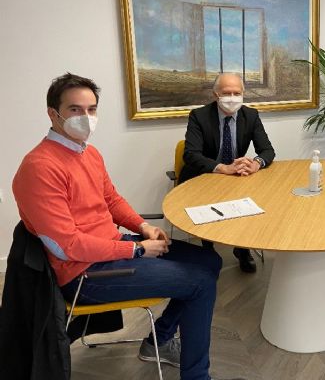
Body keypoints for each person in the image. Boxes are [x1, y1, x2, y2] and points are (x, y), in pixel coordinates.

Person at [12, 73, 235, 380]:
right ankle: (196, 375)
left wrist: (143, 227)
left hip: (113, 250)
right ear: (54, 114)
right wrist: (137, 249)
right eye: (75, 109)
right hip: (85, 273)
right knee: (200, 283)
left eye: (91, 110)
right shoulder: (39, 168)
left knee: (210, 260)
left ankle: (158, 340)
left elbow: (111, 200)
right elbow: (68, 246)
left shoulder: (88, 153)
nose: (86, 118)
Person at [180, 72, 275, 273]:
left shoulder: (251, 115)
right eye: (226, 93)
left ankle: (242, 249)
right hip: (203, 177)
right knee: (207, 209)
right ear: (216, 94)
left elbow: (267, 150)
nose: (232, 98)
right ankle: (208, 251)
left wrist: (256, 163)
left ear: (243, 94)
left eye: (236, 93)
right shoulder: (199, 116)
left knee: (251, 201)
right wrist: (223, 168)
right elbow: (190, 155)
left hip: (236, 177)